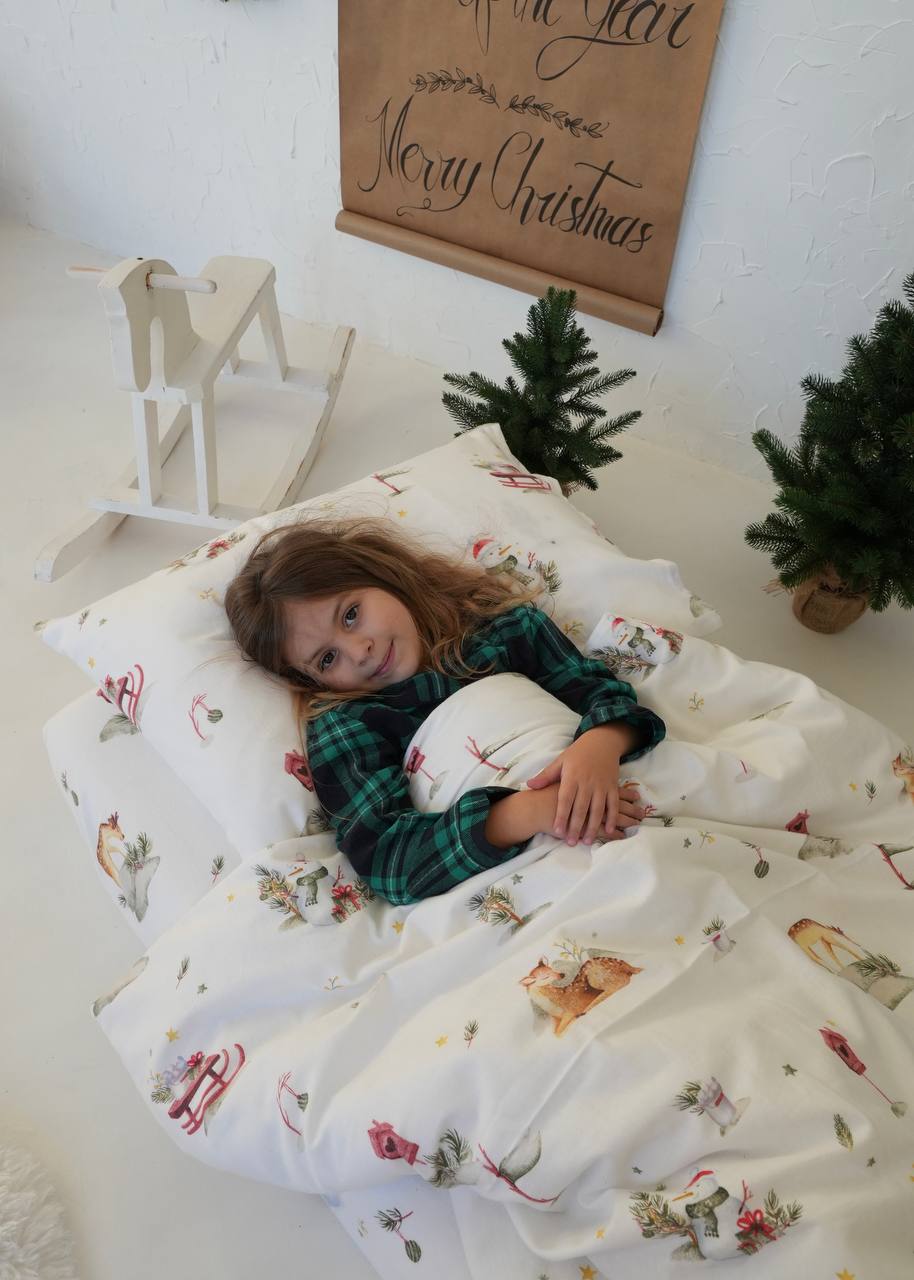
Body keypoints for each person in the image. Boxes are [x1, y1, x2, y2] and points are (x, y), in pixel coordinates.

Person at [224, 514, 665, 905]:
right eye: (326, 659)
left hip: (614, 794)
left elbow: (601, 692)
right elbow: (389, 860)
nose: (359, 652)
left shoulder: (503, 627)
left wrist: (600, 744)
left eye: (351, 614)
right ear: (310, 680)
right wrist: (529, 811)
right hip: (518, 868)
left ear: (381, 573)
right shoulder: (348, 723)